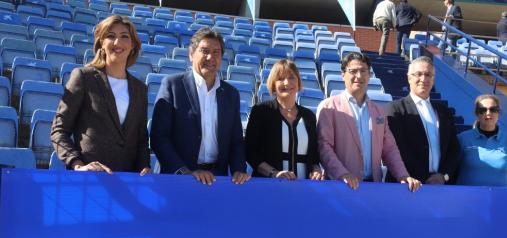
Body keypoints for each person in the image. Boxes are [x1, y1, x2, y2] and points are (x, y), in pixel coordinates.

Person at [51, 15, 150, 175]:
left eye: (124, 36)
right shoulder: (83, 77)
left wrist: (144, 166)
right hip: (92, 180)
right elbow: (59, 130)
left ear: (132, 45)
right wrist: (77, 164)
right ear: (101, 43)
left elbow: (141, 138)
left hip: (129, 182)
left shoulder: (140, 89)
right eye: (111, 36)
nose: (117, 42)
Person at [151, 27, 250, 185]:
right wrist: (183, 171)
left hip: (218, 178)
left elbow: (236, 141)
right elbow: (159, 137)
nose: (210, 57)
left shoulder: (231, 94)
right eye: (204, 51)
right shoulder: (172, 85)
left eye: (216, 52)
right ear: (191, 54)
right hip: (180, 178)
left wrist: (239, 170)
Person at [317, 52, 421, 192]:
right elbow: (324, 147)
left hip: (373, 188)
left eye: (363, 71)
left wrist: (403, 175)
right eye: (353, 71)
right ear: (343, 75)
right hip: (340, 186)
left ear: (370, 75)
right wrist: (342, 174)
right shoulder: (329, 107)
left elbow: (390, 149)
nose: (359, 76)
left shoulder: (378, 111)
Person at [385, 56, 460, 185]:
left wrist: (443, 176)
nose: (423, 79)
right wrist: (425, 179)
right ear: (409, 78)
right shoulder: (395, 109)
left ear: (433, 79)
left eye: (428, 75)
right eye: (418, 74)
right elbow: (398, 149)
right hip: (407, 185)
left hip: (439, 186)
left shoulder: (444, 112)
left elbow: (454, 149)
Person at [245, 59, 323, 180]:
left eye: (291, 77)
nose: (287, 83)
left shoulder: (309, 116)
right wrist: (274, 173)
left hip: (305, 187)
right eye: (280, 79)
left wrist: (316, 170)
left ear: (298, 82)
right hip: (269, 185)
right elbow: (250, 152)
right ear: (273, 84)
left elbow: (314, 156)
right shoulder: (261, 111)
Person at [456, 94, 507, 187]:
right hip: (468, 199)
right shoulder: (463, 139)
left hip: (500, 200)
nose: (488, 113)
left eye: (493, 109)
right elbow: (452, 169)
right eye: (482, 110)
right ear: (477, 114)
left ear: (498, 113)